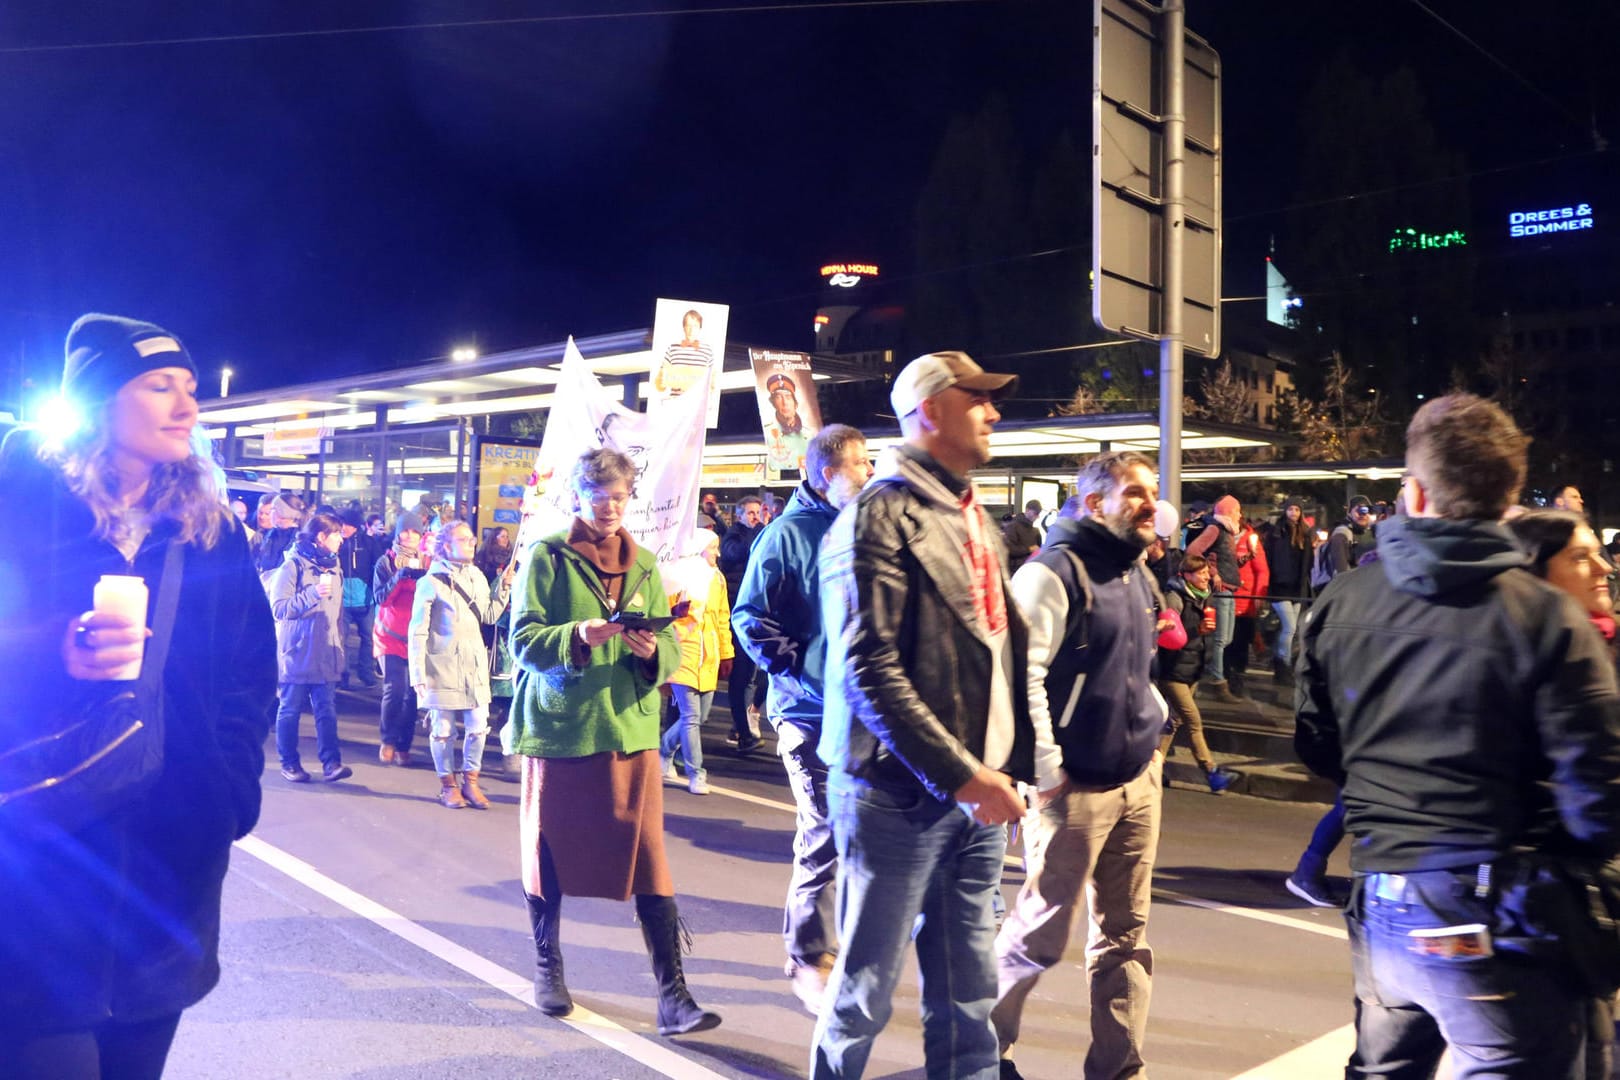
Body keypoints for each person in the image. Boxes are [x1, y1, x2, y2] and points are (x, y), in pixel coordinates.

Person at [1295, 393, 1620, 1077]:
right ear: (1510, 499)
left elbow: (1319, 747)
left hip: (1381, 900)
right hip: (1494, 910)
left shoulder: (1342, 602)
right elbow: (1599, 797)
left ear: (1413, 492)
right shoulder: (1547, 619)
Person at [0, 313, 277, 1079]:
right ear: (96, 403)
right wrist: (46, 651)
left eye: (190, 387)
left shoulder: (211, 531)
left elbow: (249, 676)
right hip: (37, 865)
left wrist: (226, 796)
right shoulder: (19, 507)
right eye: (160, 385)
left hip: (167, 875)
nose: (187, 405)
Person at [812, 351, 1032, 1079]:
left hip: (974, 794)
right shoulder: (878, 514)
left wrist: (1023, 765)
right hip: (898, 799)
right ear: (930, 411)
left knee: (971, 996)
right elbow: (868, 671)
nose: (993, 412)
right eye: (979, 399)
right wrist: (964, 777)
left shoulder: (970, 514)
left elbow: (1000, 651)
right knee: (864, 993)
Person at [506, 448, 721, 1035]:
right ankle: (548, 969)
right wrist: (581, 634)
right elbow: (521, 641)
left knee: (650, 861)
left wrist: (655, 653)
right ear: (579, 497)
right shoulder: (547, 556)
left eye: (620, 499)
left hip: (630, 729)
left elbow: (674, 646)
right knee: (548, 854)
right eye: (599, 498)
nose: (609, 509)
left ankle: (673, 997)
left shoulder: (647, 567)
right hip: (562, 729)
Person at [992, 451, 1169, 1079]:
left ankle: (1119, 1068)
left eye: (1153, 490)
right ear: (1095, 504)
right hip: (1073, 790)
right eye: (1137, 493)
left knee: (1126, 938)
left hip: (1137, 780)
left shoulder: (1135, 571)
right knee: (1040, 934)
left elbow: (1137, 667)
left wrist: (1157, 723)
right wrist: (1045, 771)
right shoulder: (1052, 573)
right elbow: (1021, 676)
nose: (1153, 503)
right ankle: (983, 1052)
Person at [733, 423, 874, 1015]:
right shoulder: (786, 535)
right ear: (826, 474)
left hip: (864, 712)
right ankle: (808, 954)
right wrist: (795, 669)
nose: (869, 472)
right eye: (860, 463)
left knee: (862, 836)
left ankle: (844, 949)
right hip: (811, 713)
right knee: (823, 834)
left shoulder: (863, 529)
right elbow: (750, 616)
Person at [409, 519, 514, 809]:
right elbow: (417, 631)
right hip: (440, 667)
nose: (472, 543)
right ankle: (447, 785)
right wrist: (418, 672)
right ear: (445, 546)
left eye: (472, 539)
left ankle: (471, 782)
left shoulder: (478, 576)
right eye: (464, 539)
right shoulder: (429, 583)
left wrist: (503, 589)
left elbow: (490, 616)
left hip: (474, 665)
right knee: (443, 730)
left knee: (479, 727)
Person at [270, 512, 354, 783]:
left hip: (326, 651)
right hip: (297, 651)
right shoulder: (292, 566)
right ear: (321, 536)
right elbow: (279, 608)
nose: (341, 539)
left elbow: (338, 614)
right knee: (290, 709)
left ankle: (332, 764)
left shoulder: (335, 567)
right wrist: (311, 594)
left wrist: (340, 648)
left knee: (326, 710)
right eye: (336, 534)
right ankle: (289, 763)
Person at [659, 529, 734, 795]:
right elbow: (664, 618)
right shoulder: (677, 578)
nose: (718, 553)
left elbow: (723, 617)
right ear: (699, 548)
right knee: (690, 717)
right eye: (713, 547)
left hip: (709, 657)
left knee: (699, 717)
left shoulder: (718, 579)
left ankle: (664, 751)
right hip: (684, 654)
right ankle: (696, 774)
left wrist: (726, 652)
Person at [1156, 553, 1234, 794]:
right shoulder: (1175, 598)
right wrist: (1195, 629)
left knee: (1173, 722)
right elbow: (1169, 636)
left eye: (1206, 572)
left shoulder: (1203, 597)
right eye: (1200, 573)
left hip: (1192, 668)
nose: (1206, 576)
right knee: (1193, 721)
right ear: (1186, 575)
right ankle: (1211, 772)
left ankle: (1154, 769)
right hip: (1173, 670)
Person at [373, 520, 427, 765]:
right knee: (394, 689)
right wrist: (400, 577)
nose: (408, 535)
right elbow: (381, 599)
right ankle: (388, 740)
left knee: (412, 694)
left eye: (414, 531)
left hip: (417, 636)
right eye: (404, 530)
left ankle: (405, 743)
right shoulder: (386, 562)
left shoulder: (428, 561)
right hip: (390, 635)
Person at [1185, 493, 1242, 702]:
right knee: (1220, 638)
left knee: (1225, 638)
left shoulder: (1224, 530)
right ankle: (1218, 681)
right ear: (1228, 511)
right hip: (1220, 589)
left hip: (1227, 588)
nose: (1240, 514)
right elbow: (1194, 550)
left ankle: (1210, 676)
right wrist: (1212, 572)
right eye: (1237, 510)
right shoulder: (1215, 529)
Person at [721, 494, 767, 750]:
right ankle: (742, 732)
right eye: (750, 513)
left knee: (758, 675)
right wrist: (758, 530)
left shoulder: (758, 531)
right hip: (736, 614)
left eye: (757, 513)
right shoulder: (733, 536)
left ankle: (744, 723)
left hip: (756, 613)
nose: (754, 517)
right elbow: (740, 551)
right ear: (739, 515)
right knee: (741, 677)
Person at [1263, 498, 1313, 685]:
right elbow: (1269, 558)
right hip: (1280, 586)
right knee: (1290, 627)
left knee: (1291, 629)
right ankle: (1283, 664)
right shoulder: (1276, 532)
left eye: (1297, 509)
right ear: (1285, 511)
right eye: (1290, 509)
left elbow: (1307, 561)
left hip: (1297, 587)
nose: (1293, 513)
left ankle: (1280, 662)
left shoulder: (1305, 533)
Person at [336, 507, 382, 689]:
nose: (343, 527)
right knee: (341, 639)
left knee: (368, 638)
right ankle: (342, 674)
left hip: (366, 600)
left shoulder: (369, 543)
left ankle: (366, 673)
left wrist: (374, 590)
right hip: (342, 600)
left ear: (355, 525)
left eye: (347, 524)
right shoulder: (336, 542)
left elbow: (377, 568)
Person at [653, 309, 714, 398]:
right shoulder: (672, 348)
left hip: (697, 403)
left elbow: (712, 382)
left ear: (700, 328)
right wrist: (662, 382)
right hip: (676, 402)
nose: (691, 330)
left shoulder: (707, 350)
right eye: (688, 325)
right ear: (683, 327)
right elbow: (660, 381)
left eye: (695, 326)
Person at [1002, 499, 1043, 575]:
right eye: (1036, 513)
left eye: (1038, 513)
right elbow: (1009, 550)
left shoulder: (1035, 531)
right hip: (1016, 572)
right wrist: (1029, 549)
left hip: (1030, 570)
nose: (1037, 516)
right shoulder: (1012, 526)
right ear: (1027, 510)